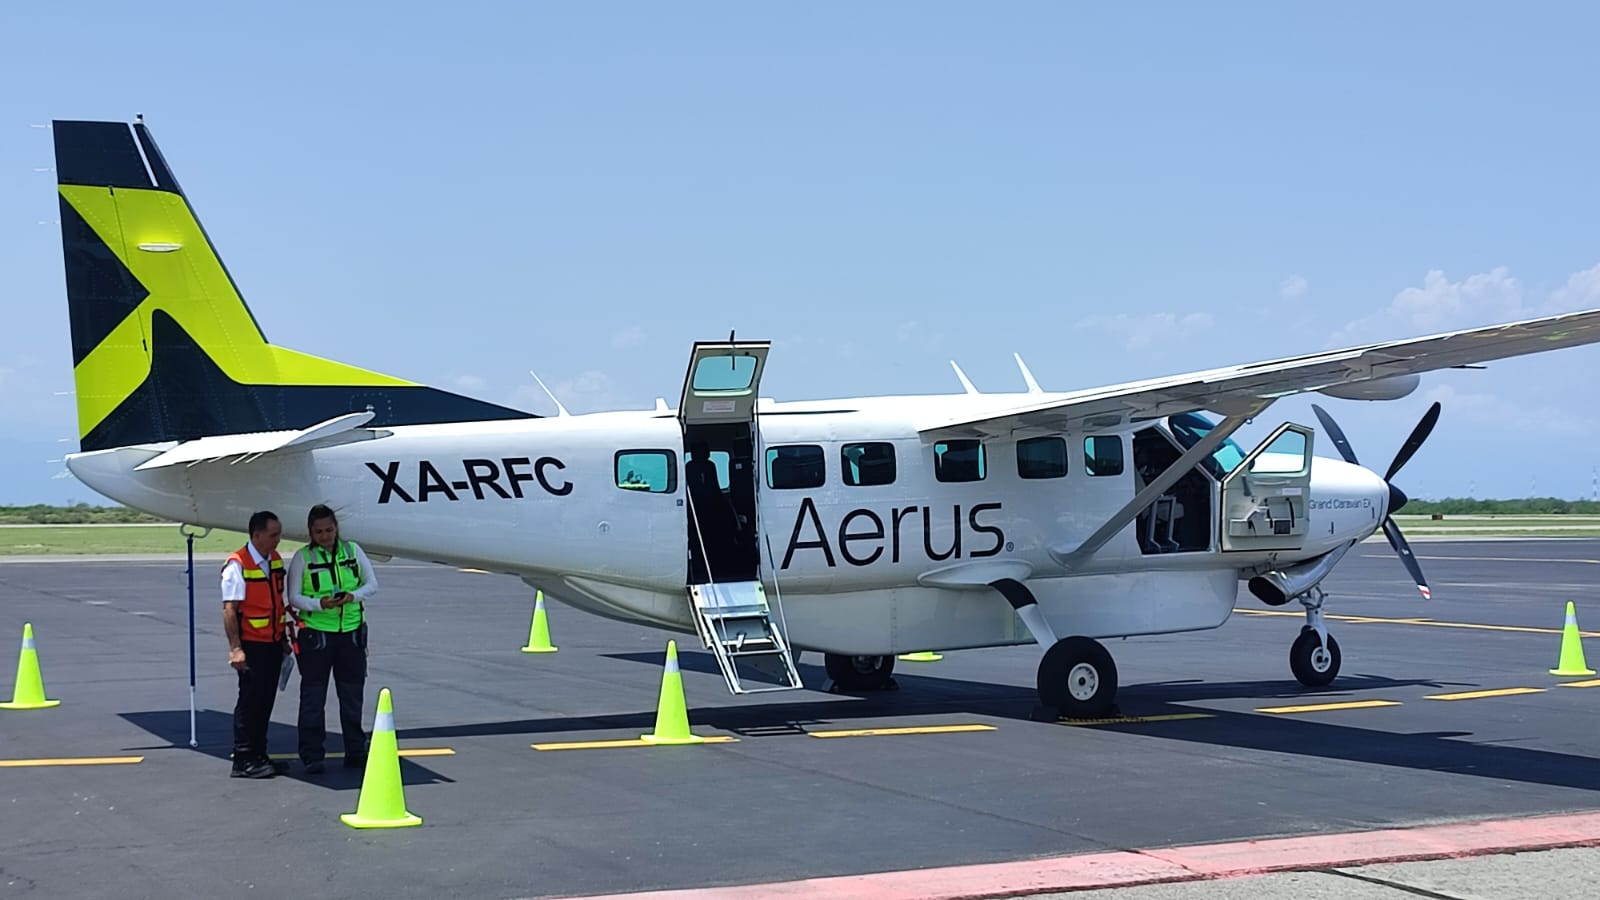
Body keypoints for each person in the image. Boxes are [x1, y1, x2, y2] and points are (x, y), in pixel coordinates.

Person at [286, 504, 378, 774]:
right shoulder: (303, 558)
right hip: (317, 637)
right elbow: (293, 597)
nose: (325, 536)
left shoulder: (353, 551)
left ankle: (355, 751)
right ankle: (312, 755)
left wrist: (353, 596)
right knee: (313, 698)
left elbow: (372, 584)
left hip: (351, 634)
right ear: (310, 532)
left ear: (336, 528)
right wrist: (320, 604)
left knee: (352, 696)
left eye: (329, 530)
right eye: (319, 532)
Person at [221, 511, 292, 778]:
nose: (278, 539)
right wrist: (236, 648)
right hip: (252, 645)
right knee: (250, 702)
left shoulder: (273, 560)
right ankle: (242, 759)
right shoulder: (237, 565)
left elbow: (275, 602)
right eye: (273, 535)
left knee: (265, 702)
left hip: (272, 643)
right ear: (257, 535)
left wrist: (283, 639)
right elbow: (230, 610)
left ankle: (259, 754)